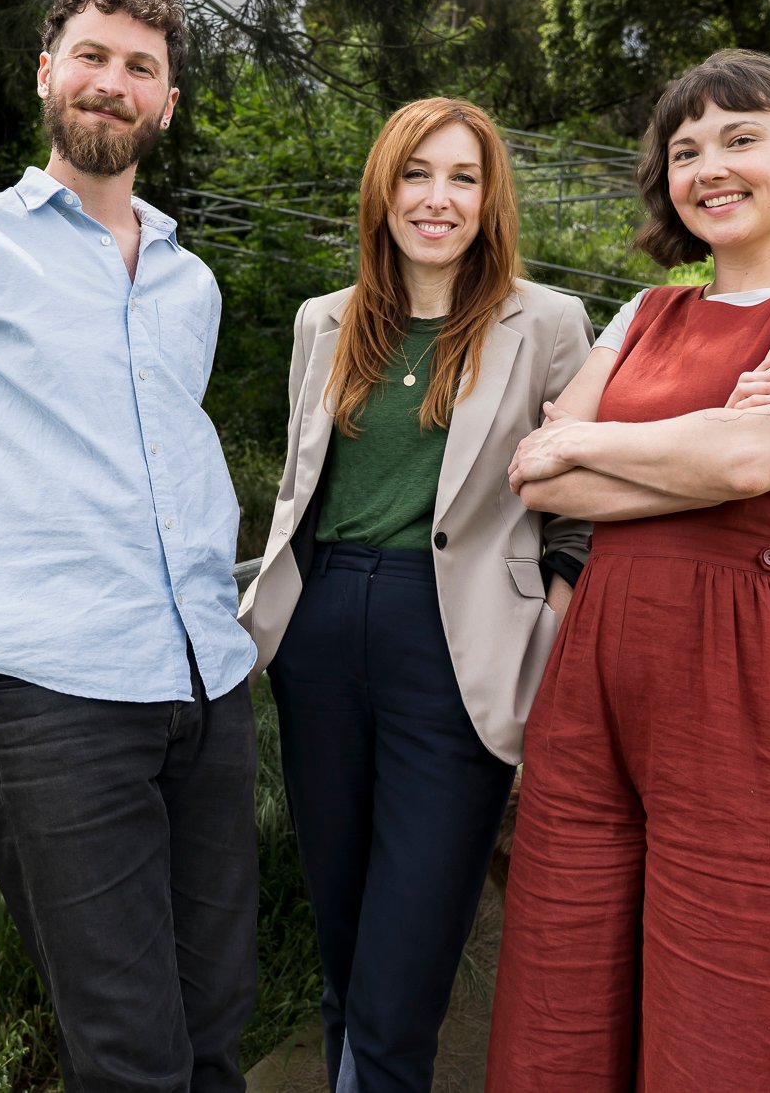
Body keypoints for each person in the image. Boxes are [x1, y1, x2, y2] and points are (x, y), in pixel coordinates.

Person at [484, 49, 770, 1091]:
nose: (709, 168)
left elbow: (749, 456)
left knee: (741, 992)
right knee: (564, 966)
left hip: (758, 665)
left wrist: (617, 444)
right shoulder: (645, 314)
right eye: (685, 151)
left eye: (740, 139)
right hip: (596, 668)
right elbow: (542, 480)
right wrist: (709, 448)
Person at [0, 0, 257, 1093]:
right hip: (50, 691)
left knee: (217, 1017)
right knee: (128, 1053)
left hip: (207, 683)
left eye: (140, 69)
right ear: (45, 73)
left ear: (166, 104)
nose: (111, 85)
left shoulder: (191, 283)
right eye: (91, 57)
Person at [238, 97, 594, 1093]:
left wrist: (542, 641)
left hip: (456, 648)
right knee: (344, 954)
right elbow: (298, 488)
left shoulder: (548, 323)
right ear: (381, 190)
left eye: (461, 178)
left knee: (402, 972)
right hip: (319, 641)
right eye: (414, 175)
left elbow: (580, 508)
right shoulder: (326, 321)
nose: (435, 199)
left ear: (489, 201)